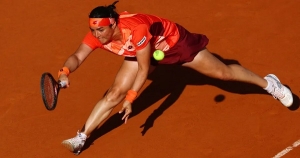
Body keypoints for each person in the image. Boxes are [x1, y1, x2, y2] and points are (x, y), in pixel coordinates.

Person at [59, 1, 293, 155]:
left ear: (113, 24)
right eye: (93, 30)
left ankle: (269, 83)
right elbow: (77, 57)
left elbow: (144, 69)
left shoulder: (136, 29)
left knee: (224, 73)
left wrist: (132, 98)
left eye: (101, 30)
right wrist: (65, 72)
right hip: (141, 52)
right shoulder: (97, 37)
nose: (96, 35)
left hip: (174, 44)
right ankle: (82, 136)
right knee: (113, 93)